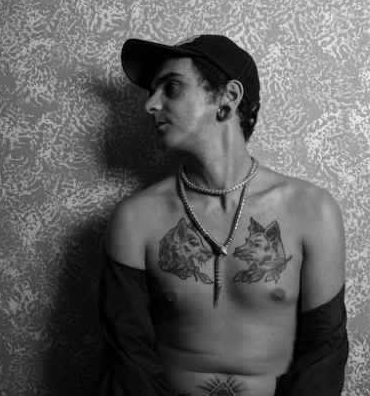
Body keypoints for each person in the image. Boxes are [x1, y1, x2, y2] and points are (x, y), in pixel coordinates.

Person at [99, 35, 348, 396]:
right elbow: (128, 359)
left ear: (228, 98)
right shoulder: (136, 219)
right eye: (152, 91)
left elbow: (323, 353)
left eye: (171, 87)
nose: (150, 104)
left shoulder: (311, 210)